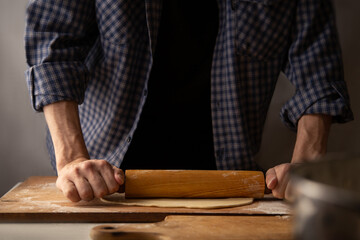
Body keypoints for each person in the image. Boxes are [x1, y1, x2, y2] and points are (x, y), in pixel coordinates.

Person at [24, 0, 353, 202]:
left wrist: (307, 170)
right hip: (103, 183)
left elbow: (318, 69)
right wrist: (71, 159)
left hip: (230, 185)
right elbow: (53, 44)